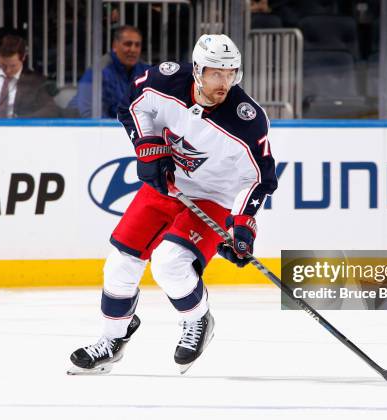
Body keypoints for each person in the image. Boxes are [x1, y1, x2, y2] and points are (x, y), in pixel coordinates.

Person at [68, 34, 278, 375]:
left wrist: (241, 223)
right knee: (119, 265)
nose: (224, 82)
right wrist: (148, 144)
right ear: (197, 70)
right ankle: (112, 339)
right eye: (215, 73)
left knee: (170, 263)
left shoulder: (247, 119)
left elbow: (257, 178)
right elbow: (133, 106)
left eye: (230, 74)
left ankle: (198, 321)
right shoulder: (165, 80)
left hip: (212, 197)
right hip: (166, 187)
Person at [71, 25, 151, 118]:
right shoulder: (99, 71)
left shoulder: (146, 72)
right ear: (115, 46)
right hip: (81, 128)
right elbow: (88, 112)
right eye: (128, 44)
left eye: (137, 45)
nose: (133, 49)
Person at [0, 35, 58, 118]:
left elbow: (50, 110)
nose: (8, 70)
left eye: (13, 66)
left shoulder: (36, 81)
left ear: (23, 58)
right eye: (3, 65)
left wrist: (21, 121)